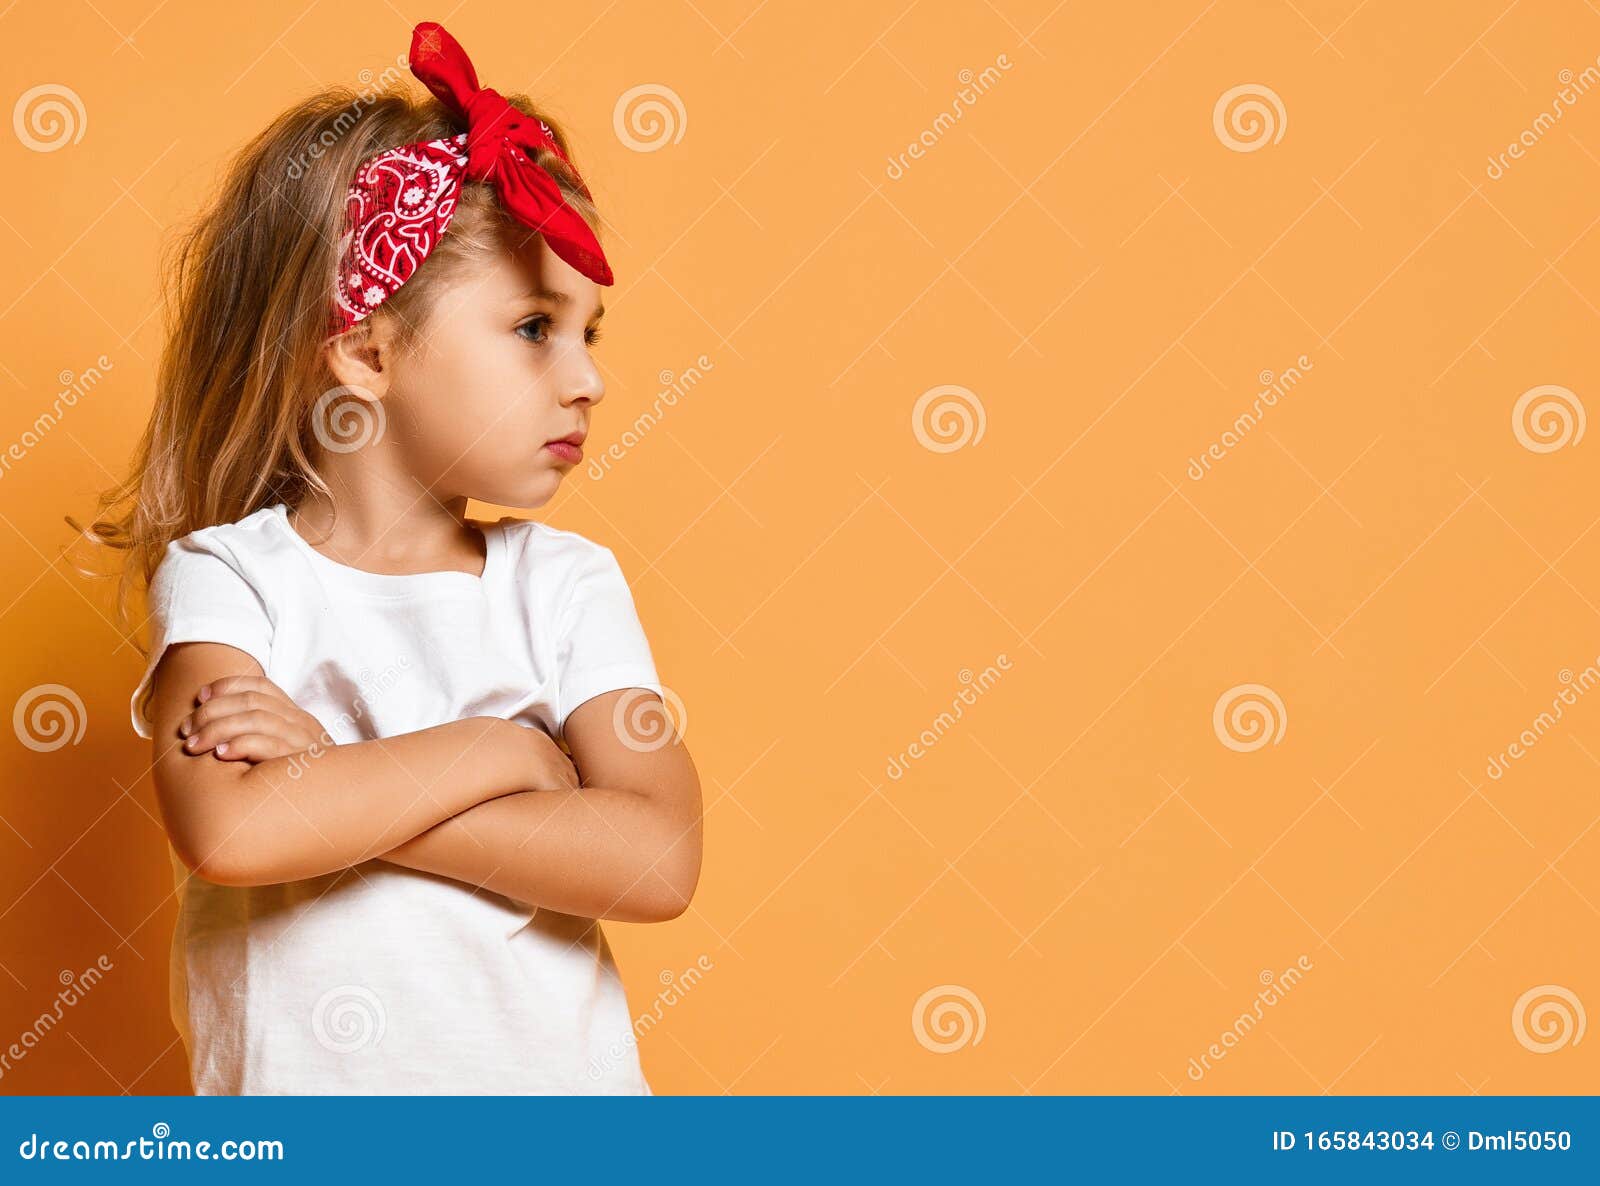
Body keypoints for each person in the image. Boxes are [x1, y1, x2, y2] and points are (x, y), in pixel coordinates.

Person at [73, 20, 702, 1096]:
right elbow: (232, 828)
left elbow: (656, 862)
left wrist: (328, 769)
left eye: (589, 334)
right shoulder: (231, 580)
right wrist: (497, 752)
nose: (588, 380)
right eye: (534, 327)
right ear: (366, 353)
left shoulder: (564, 584)